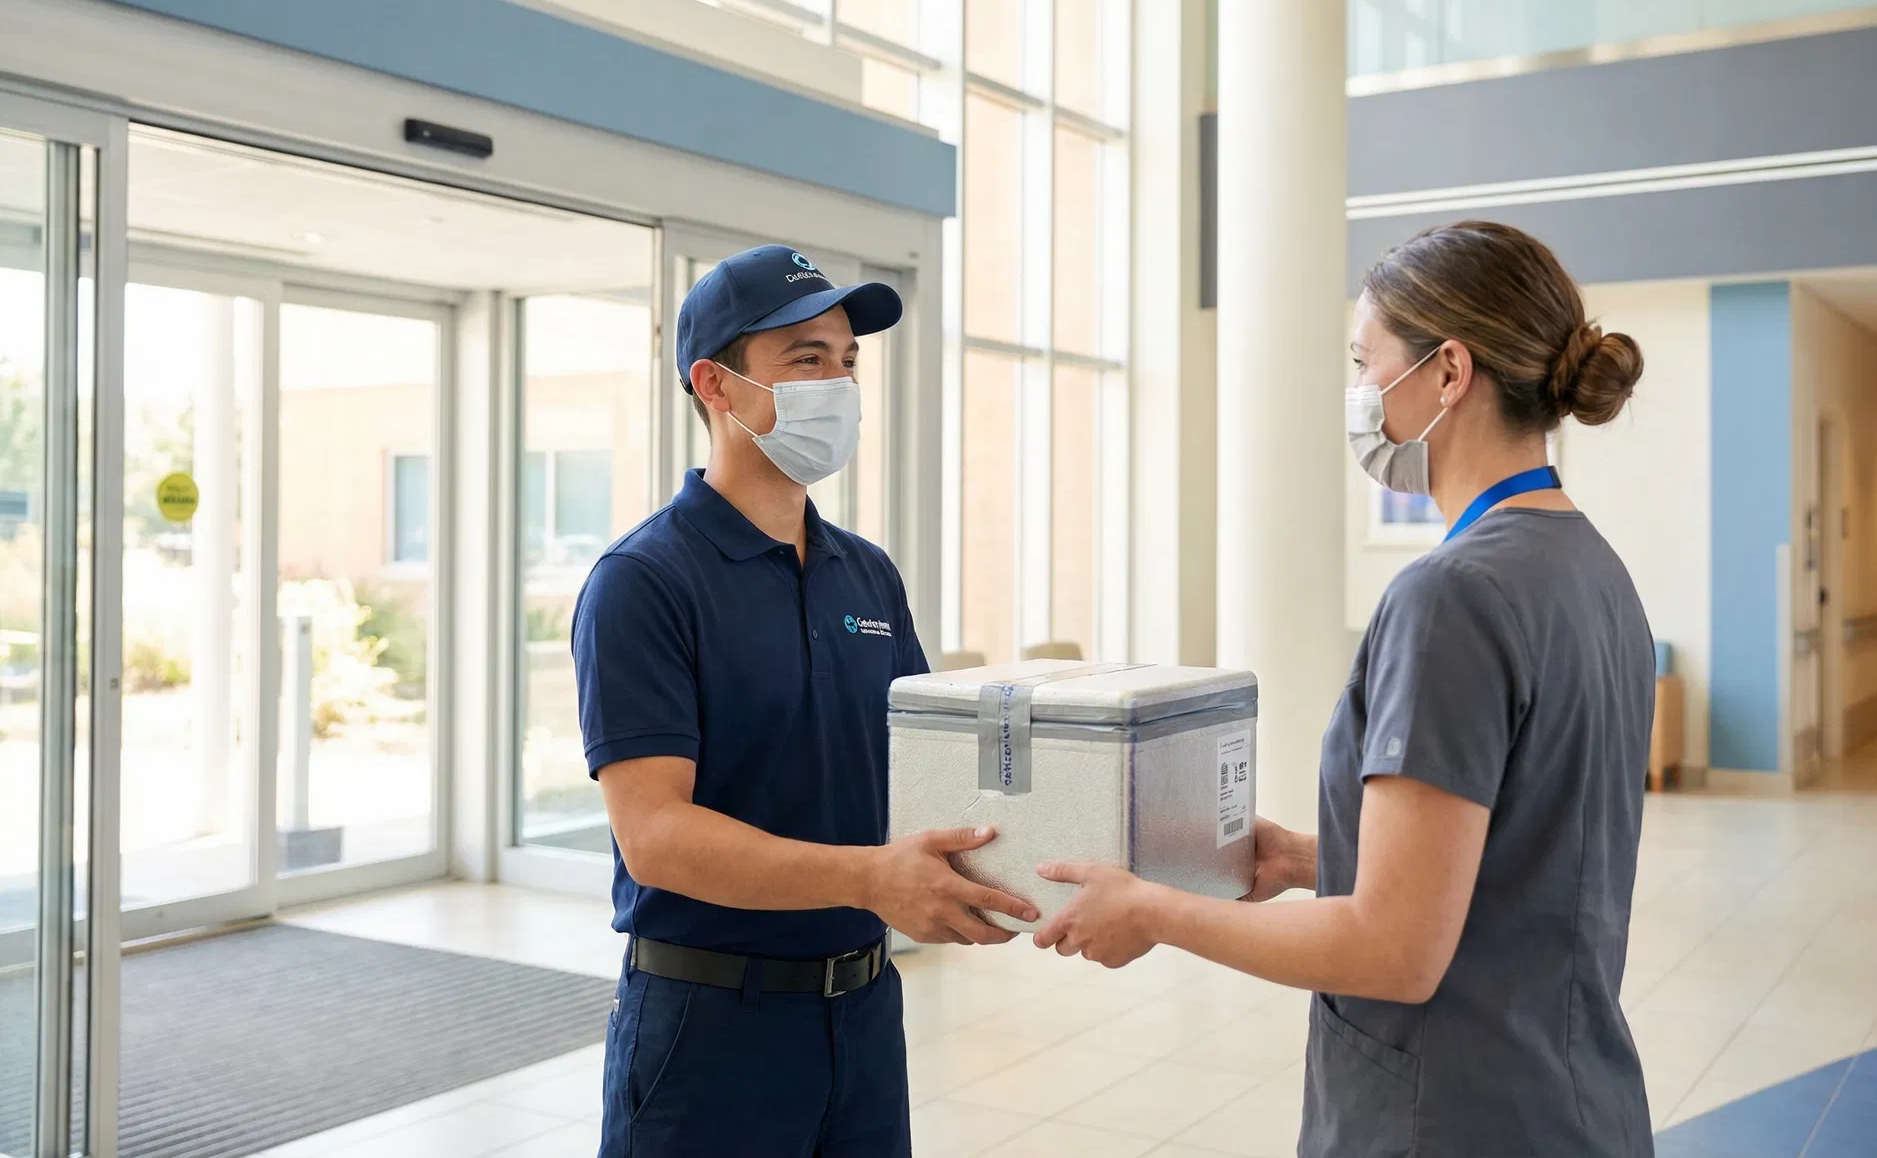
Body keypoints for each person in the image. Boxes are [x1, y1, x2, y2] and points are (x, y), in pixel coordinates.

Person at [1033, 221, 1656, 1157]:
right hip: (1572, 1101)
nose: (1360, 396)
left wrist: (1154, 909)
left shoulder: (1453, 595)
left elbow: (1394, 951)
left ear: (1449, 373)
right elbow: (1520, 859)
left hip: (1451, 1117)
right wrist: (1296, 857)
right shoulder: (1594, 571)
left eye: (1368, 364)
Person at [574, 244, 1038, 1158]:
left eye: (848, 360)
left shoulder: (864, 571)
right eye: (806, 360)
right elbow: (655, 837)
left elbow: (923, 771)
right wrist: (869, 877)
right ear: (717, 384)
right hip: (711, 1027)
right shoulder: (644, 582)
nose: (840, 384)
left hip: (864, 1010)